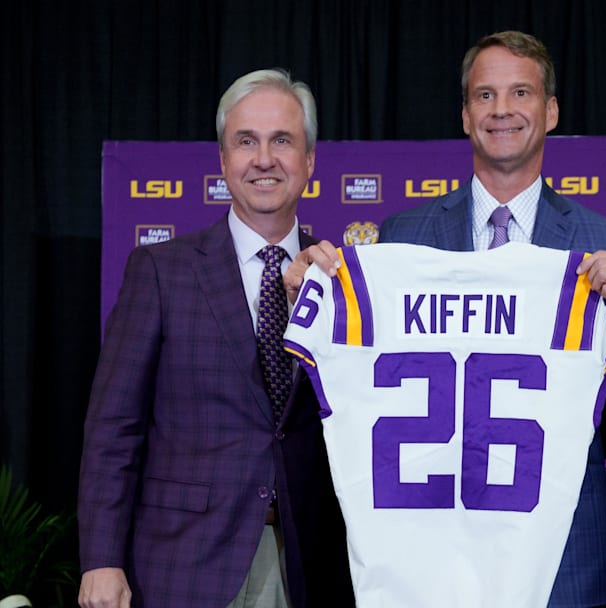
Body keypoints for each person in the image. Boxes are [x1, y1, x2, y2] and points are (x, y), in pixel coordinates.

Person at [284, 31, 606, 608]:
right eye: (484, 96)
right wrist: (312, 308)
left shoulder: (598, 241)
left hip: (561, 565)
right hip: (430, 561)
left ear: (551, 110)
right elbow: (353, 399)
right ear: (465, 115)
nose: (502, 110)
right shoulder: (402, 239)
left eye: (520, 93)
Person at [77, 68, 352, 608]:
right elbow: (114, 429)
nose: (264, 158)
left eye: (283, 141)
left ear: (310, 160)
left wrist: (322, 315)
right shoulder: (161, 270)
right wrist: (101, 559)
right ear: (223, 160)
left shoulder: (343, 281)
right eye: (245, 141)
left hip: (311, 563)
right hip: (186, 563)